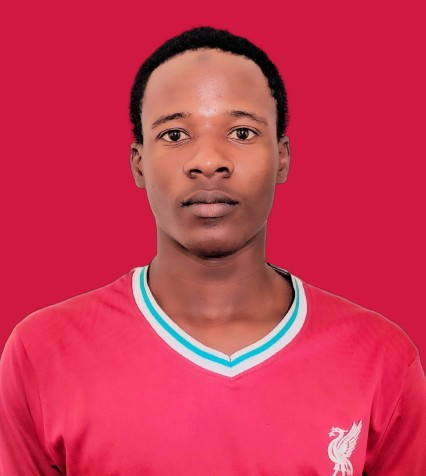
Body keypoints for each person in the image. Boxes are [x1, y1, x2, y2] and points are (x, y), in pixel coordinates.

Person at [0, 26, 425, 475]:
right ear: (138, 163)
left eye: (241, 132)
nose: (208, 161)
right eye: (174, 135)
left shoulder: (381, 358)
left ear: (282, 157)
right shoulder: (44, 351)